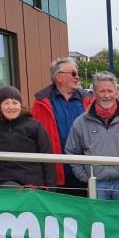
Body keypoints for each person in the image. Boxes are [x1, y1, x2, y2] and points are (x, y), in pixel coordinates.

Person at [65, 72, 119, 201]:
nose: (106, 95)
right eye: (102, 91)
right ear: (95, 92)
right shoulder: (81, 122)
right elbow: (71, 153)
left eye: (110, 91)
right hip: (96, 185)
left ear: (117, 92)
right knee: (98, 220)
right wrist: (86, 178)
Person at [31, 57, 87, 195]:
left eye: (77, 73)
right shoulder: (41, 104)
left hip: (85, 171)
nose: (77, 77)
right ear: (59, 77)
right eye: (73, 73)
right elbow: (33, 138)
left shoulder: (88, 100)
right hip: (56, 173)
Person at [0, 86, 56, 189]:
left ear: (21, 105)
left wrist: (51, 189)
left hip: (34, 186)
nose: (11, 107)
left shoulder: (35, 126)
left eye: (15, 102)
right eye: (6, 103)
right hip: (6, 184)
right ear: (0, 106)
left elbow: (48, 159)